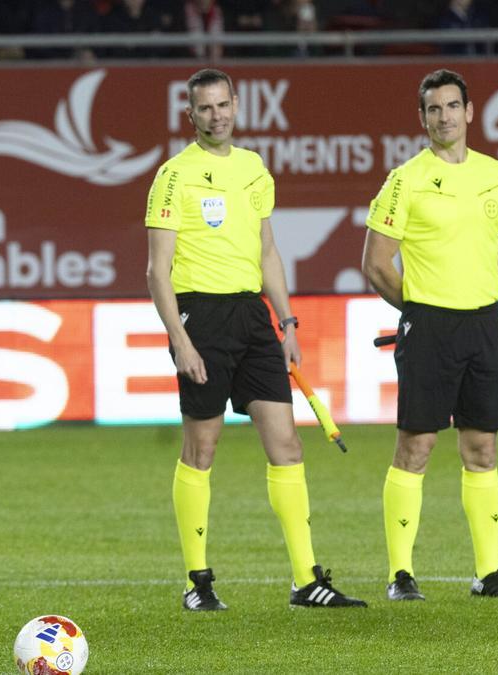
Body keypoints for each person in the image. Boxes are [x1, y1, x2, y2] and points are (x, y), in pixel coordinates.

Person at [145, 68, 367, 611]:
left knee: (287, 445)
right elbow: (157, 269)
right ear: (190, 115)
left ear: (237, 107)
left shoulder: (253, 168)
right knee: (203, 447)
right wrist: (180, 340)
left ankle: (305, 579)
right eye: (206, 108)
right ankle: (197, 581)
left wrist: (287, 323)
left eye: (224, 105)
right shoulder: (173, 176)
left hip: (252, 317)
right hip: (201, 317)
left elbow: (268, 250)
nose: (217, 115)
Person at [362, 68, 498, 602]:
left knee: (482, 447)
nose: (444, 117)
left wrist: (470, 293)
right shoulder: (404, 180)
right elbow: (375, 263)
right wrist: (420, 307)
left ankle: (489, 573)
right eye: (433, 109)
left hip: (484, 322)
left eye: (452, 107)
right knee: (416, 445)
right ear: (422, 119)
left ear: (469, 112)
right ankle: (400, 575)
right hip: (429, 326)